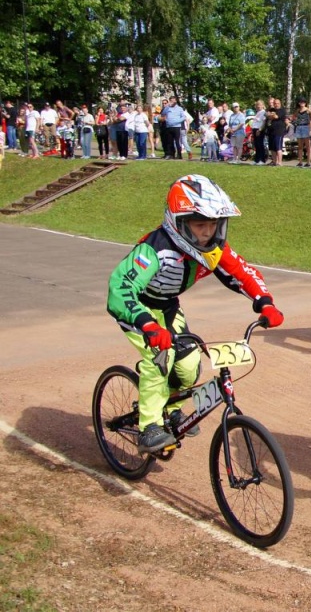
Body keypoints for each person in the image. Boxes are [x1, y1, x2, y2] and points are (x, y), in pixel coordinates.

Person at [106, 175, 284, 453]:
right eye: (201, 225)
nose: (208, 232)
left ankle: (171, 407)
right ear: (180, 222)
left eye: (214, 225)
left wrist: (265, 302)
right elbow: (121, 288)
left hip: (167, 306)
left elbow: (242, 273)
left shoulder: (213, 249)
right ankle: (149, 427)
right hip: (138, 310)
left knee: (188, 366)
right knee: (158, 363)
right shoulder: (155, 249)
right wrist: (148, 326)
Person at [292, 98, 311, 168]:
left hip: (306, 127)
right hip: (299, 127)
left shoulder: (308, 110)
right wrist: (295, 122)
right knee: (300, 146)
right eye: (301, 102)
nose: (302, 103)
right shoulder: (297, 110)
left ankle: (308, 162)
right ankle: (300, 162)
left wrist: (310, 129)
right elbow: (293, 117)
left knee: (308, 146)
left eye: (303, 102)